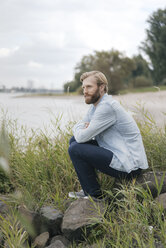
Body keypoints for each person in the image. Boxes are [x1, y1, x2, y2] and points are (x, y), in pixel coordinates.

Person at [68, 71, 148, 200]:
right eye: (83, 87)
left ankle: (94, 195)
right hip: (118, 153)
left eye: (89, 87)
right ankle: (89, 189)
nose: (85, 91)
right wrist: (82, 127)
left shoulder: (107, 107)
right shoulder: (96, 107)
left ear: (101, 87)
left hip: (130, 165)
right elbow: (81, 132)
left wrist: (78, 127)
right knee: (74, 141)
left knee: (75, 148)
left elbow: (82, 136)